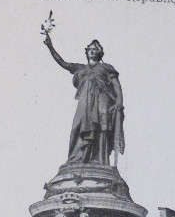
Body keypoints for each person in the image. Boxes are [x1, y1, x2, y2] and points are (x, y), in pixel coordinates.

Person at [44, 34, 124, 166]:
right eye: (90, 49)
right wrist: (50, 46)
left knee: (101, 127)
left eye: (95, 49)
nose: (93, 51)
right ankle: (77, 158)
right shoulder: (81, 68)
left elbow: (116, 85)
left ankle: (100, 160)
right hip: (84, 103)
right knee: (77, 126)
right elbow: (63, 63)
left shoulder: (106, 68)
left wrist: (119, 101)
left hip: (102, 100)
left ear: (100, 53)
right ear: (87, 52)